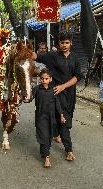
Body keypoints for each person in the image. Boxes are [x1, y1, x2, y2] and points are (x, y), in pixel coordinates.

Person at [33, 31, 83, 161]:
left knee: (65, 119)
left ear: (71, 43)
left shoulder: (75, 58)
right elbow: (35, 56)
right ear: (58, 44)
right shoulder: (52, 56)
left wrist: (63, 86)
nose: (65, 45)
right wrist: (22, 50)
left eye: (67, 42)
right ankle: (69, 150)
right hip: (54, 95)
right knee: (61, 121)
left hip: (69, 94)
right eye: (62, 43)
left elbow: (77, 76)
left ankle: (57, 134)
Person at [31, 68, 66, 168]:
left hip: (51, 118)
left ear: (50, 79)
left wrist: (61, 115)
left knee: (49, 136)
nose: (44, 80)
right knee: (44, 136)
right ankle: (46, 157)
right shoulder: (37, 89)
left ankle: (45, 152)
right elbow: (28, 98)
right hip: (40, 118)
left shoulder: (53, 89)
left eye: (46, 78)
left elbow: (57, 104)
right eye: (42, 78)